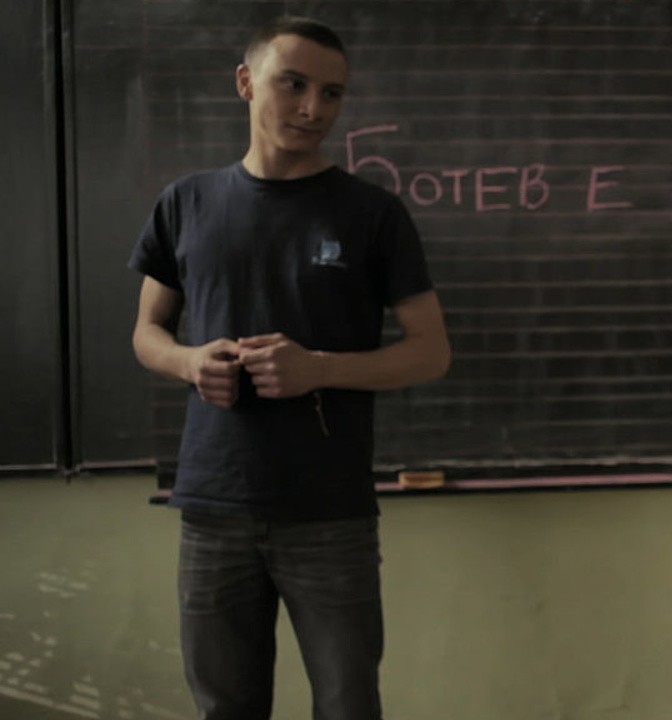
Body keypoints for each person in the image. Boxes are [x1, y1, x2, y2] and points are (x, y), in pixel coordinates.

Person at [128, 16, 450, 720]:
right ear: (246, 83)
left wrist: (319, 369)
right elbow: (148, 334)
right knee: (225, 707)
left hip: (329, 511)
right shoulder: (186, 204)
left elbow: (431, 350)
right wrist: (190, 361)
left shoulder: (373, 214)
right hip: (213, 506)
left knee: (347, 705)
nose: (313, 108)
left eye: (332, 93)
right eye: (293, 84)